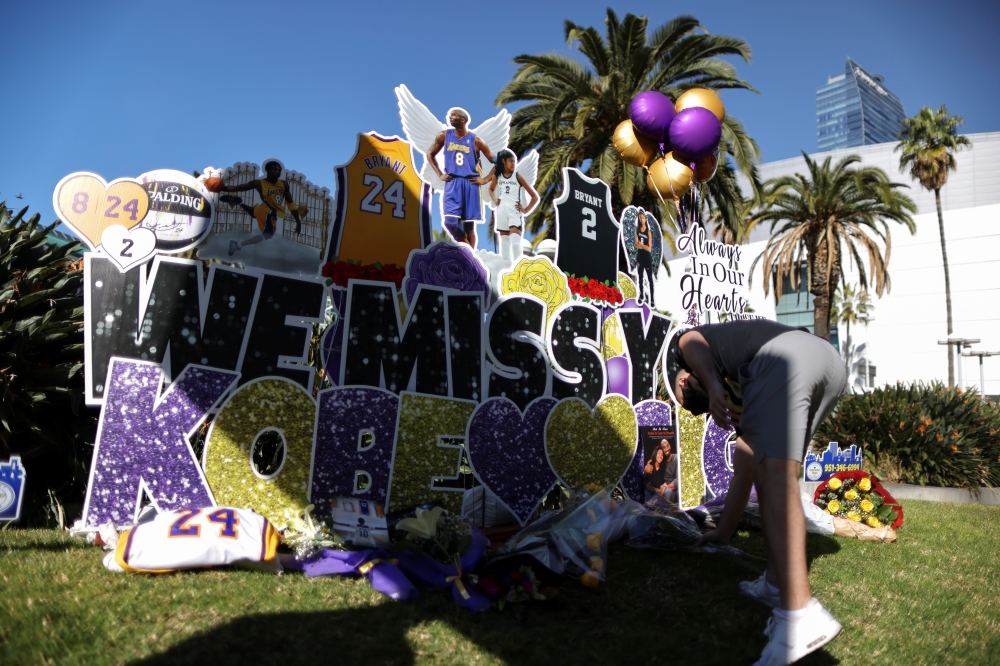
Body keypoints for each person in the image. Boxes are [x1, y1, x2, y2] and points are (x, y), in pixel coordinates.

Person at [674, 319, 846, 666]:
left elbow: (689, 340)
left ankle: (799, 615)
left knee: (776, 476)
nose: (711, 404)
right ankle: (773, 583)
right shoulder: (745, 380)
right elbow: (745, 470)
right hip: (828, 365)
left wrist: (713, 387)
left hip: (787, 358)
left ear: (684, 377)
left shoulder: (694, 352)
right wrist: (722, 533)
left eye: (698, 396)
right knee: (766, 462)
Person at [426, 108, 496, 248]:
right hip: (452, 182)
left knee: (469, 227)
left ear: (462, 120)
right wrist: (440, 174)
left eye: (454, 115)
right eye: (450, 115)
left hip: (471, 183)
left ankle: (471, 261)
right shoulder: (444, 136)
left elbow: (498, 161)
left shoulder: (476, 140)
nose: (449, 116)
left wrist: (485, 179)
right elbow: (430, 153)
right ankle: (467, 251)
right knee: (450, 222)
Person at [216, 160, 303, 256]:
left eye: (279, 170)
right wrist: (221, 188)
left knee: (254, 213)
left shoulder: (283, 184)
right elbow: (239, 187)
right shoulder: (259, 183)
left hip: (263, 208)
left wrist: (298, 221)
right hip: (269, 212)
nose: (277, 172)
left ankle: (240, 203)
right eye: (274, 169)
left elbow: (290, 203)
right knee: (267, 235)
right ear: (267, 170)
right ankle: (237, 245)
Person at [489, 149, 539, 263]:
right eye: (511, 161)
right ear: (503, 161)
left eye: (514, 161)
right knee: (504, 247)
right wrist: (495, 199)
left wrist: (525, 210)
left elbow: (534, 197)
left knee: (516, 244)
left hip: (514, 212)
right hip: (501, 211)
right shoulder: (498, 176)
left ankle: (518, 269)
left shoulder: (517, 176)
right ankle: (506, 270)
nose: (513, 164)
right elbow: (491, 189)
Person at [634, 211, 655, 307]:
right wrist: (643, 246)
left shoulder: (648, 232)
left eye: (643, 217)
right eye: (640, 218)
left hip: (647, 258)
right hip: (640, 257)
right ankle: (641, 295)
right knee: (640, 277)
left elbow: (649, 248)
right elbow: (636, 244)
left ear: (645, 219)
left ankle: (652, 299)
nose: (641, 219)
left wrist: (641, 245)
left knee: (650, 279)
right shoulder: (637, 230)